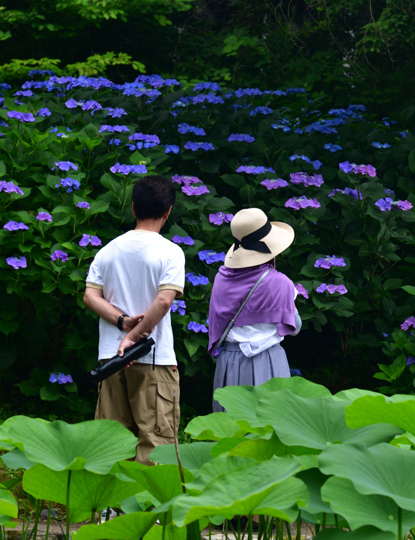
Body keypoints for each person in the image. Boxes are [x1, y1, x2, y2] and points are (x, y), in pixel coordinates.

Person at [82, 175, 185, 465]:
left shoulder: (108, 250)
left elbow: (90, 296)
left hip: (110, 360)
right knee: (154, 442)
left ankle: (110, 509)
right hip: (153, 358)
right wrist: (135, 334)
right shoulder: (171, 252)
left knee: (111, 440)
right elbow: (164, 301)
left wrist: (123, 323)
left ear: (132, 208)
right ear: (168, 211)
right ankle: (149, 510)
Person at [207, 207, 302, 412]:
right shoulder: (281, 283)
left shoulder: (221, 279)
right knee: (270, 428)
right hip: (268, 360)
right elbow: (294, 327)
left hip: (229, 362)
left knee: (230, 431)